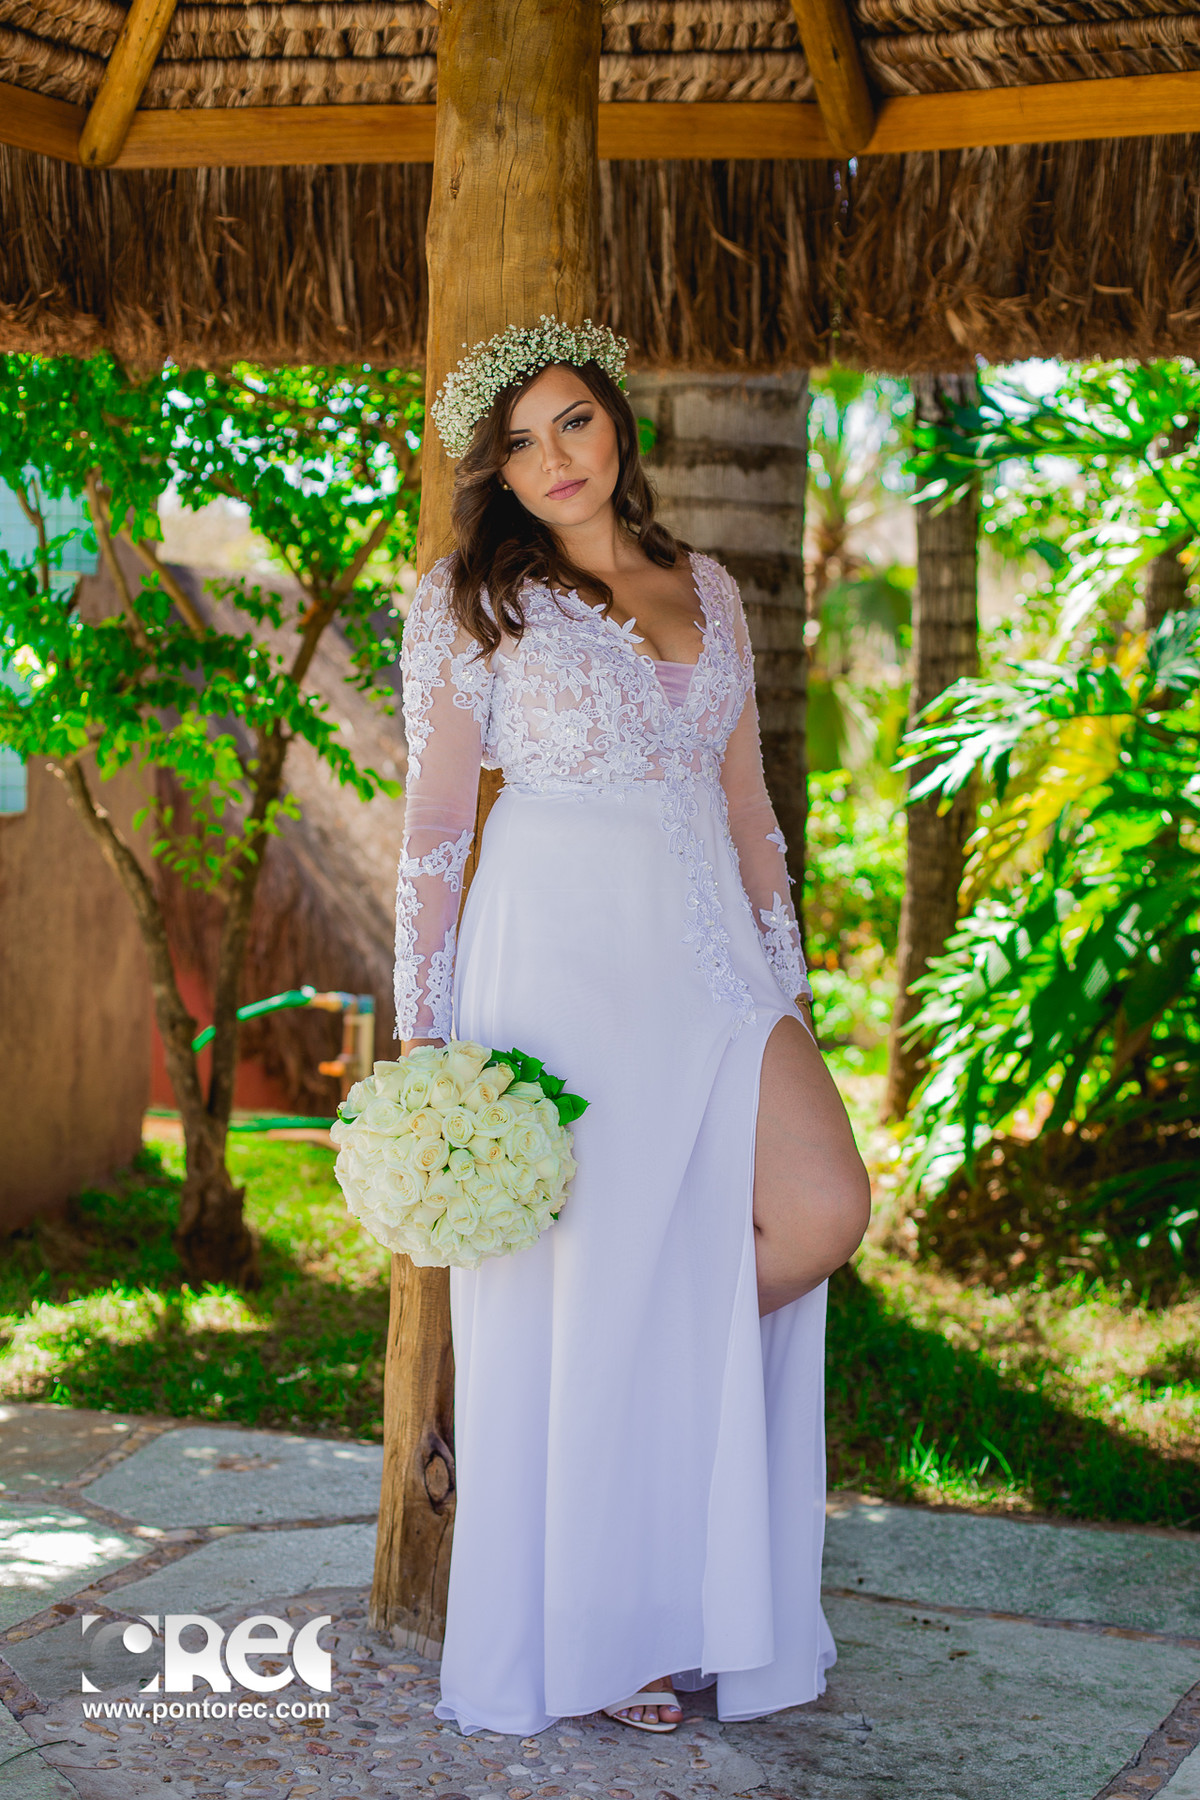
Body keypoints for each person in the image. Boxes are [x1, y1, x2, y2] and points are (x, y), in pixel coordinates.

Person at [395, 316, 871, 1739]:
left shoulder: (706, 586)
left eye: (575, 423)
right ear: (495, 471)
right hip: (558, 962)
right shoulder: (467, 600)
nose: (556, 459)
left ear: (618, 425)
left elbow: (746, 811)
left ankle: (683, 1566)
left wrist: (783, 990)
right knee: (584, 1287)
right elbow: (430, 830)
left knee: (823, 1207)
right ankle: (620, 1629)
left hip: (718, 967)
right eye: (522, 442)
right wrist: (427, 1044)